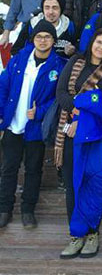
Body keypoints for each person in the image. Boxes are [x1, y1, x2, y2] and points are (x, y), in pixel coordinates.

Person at [56, 28, 102, 258]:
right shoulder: (76, 62)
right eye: (99, 42)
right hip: (71, 134)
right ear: (92, 42)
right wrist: (77, 112)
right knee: (73, 186)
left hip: (96, 137)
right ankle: (76, 236)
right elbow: (61, 92)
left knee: (93, 185)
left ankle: (93, 233)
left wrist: (84, 118)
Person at [0, 20, 65, 229]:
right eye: (39, 37)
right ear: (33, 39)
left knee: (33, 170)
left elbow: (58, 98)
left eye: (47, 37)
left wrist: (41, 111)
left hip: (35, 128)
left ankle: (28, 209)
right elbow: (3, 86)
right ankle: (4, 209)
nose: (43, 40)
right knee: (9, 168)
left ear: (53, 41)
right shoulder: (19, 59)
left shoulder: (58, 65)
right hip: (13, 124)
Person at [11, 0, 76, 60]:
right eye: (47, 8)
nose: (51, 12)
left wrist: (72, 52)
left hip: (62, 68)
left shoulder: (69, 26)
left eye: (55, 8)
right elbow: (16, 50)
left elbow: (78, 51)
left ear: (61, 9)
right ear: (43, 9)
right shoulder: (33, 24)